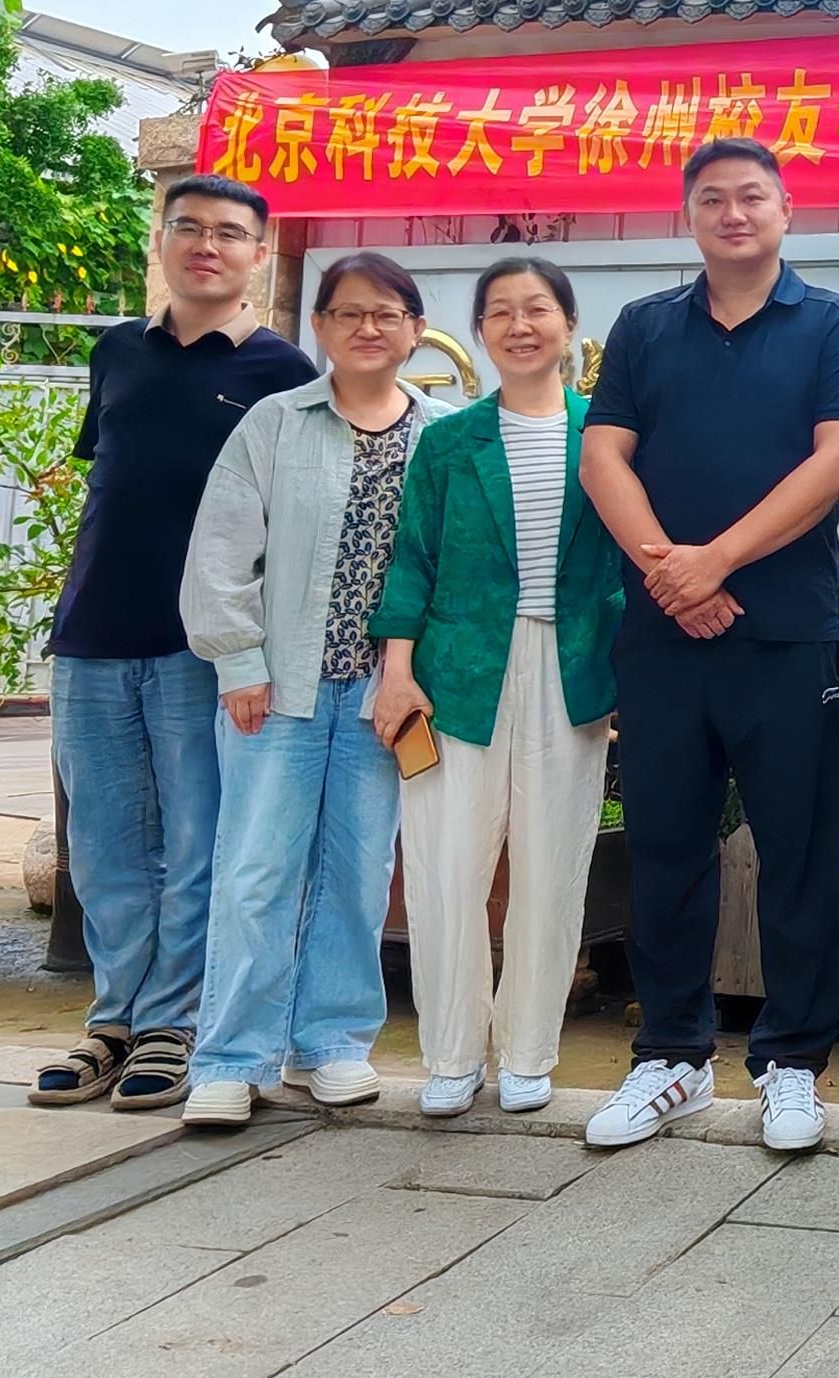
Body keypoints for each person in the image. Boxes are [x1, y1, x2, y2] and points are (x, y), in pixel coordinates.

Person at [577, 137, 839, 1158]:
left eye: (753, 196)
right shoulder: (644, 325)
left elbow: (838, 459)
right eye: (713, 199)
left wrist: (716, 562)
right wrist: (671, 574)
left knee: (798, 852)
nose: (734, 213)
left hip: (786, 634)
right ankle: (671, 1055)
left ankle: (793, 1062)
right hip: (662, 638)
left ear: (787, 211)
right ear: (689, 215)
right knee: (664, 844)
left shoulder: (833, 322)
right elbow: (603, 454)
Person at [31, 175, 315, 1116]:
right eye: (187, 227)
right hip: (94, 632)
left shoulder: (284, 373)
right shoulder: (117, 352)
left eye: (229, 233)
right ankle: (112, 1020)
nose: (206, 245)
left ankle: (174, 1023)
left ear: (258, 255)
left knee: (198, 840)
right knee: (104, 844)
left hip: (205, 648)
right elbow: (111, 482)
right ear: (160, 239)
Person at [176, 250, 437, 1130]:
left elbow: (446, 570)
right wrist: (238, 663)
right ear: (320, 326)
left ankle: (330, 1043)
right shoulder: (275, 423)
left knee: (360, 873)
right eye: (349, 312)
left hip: (381, 699)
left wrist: (412, 678)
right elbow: (222, 549)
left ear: (415, 329)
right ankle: (231, 1058)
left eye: (387, 313)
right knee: (256, 871)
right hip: (278, 687)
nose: (369, 328)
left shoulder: (441, 433)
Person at [369, 257, 622, 1120]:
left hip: (572, 672)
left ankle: (527, 1052)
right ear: (479, 331)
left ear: (569, 324)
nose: (520, 325)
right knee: (446, 867)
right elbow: (411, 561)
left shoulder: (606, 436)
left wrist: (630, 675)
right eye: (501, 311)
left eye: (537, 308)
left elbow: (630, 562)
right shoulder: (449, 441)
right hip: (457, 675)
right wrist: (397, 671)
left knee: (553, 867)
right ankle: (449, 1055)